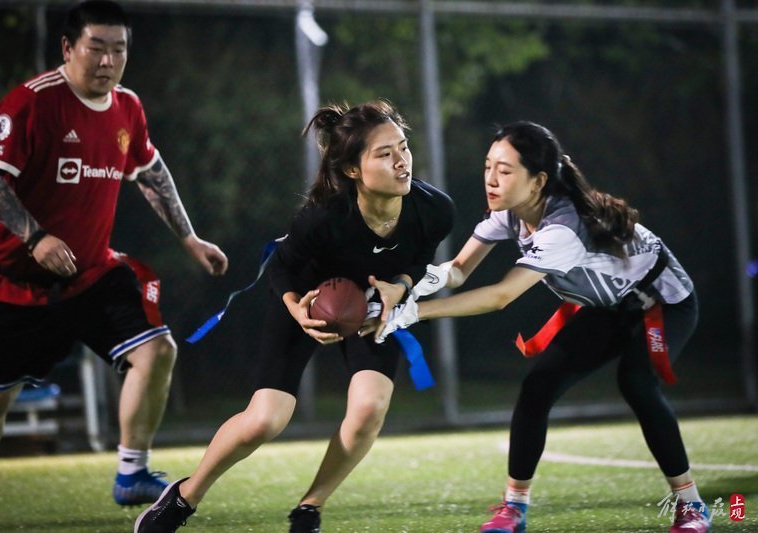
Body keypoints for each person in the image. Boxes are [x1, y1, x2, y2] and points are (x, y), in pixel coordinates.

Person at [0, 1, 228, 531]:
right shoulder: (33, 102)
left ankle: (131, 472)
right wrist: (36, 237)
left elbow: (150, 171)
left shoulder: (127, 106)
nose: (108, 61)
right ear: (68, 48)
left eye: (119, 50)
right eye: (96, 48)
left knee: (157, 350)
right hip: (18, 283)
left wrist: (189, 238)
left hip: (90, 276)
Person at [134, 100, 454, 533]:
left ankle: (309, 508)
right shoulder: (324, 217)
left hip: (372, 304)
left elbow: (419, 256)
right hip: (308, 299)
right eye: (385, 153)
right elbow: (281, 268)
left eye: (403, 147)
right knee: (265, 420)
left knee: (370, 408)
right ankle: (184, 496)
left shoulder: (435, 208)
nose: (402, 161)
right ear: (353, 170)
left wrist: (399, 285)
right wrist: (297, 310)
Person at [380, 121, 710, 533]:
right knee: (538, 387)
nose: (491, 179)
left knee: (637, 382)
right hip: (608, 306)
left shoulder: (562, 230)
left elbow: (501, 296)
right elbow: (459, 270)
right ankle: (514, 509)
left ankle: (693, 507)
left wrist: (413, 313)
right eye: (488, 166)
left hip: (661, 304)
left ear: (537, 181)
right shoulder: (510, 212)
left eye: (504, 170)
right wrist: (411, 286)